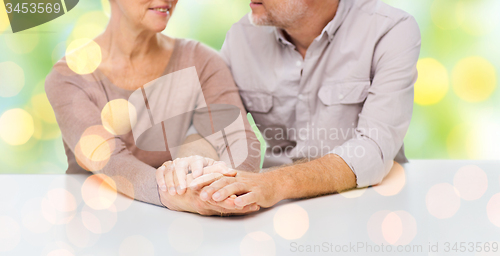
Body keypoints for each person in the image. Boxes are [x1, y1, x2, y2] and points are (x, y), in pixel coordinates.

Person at [190, 0, 421, 210]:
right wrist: (191, 165)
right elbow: (215, 130)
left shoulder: (391, 29)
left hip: (369, 205)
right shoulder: (241, 37)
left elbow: (374, 150)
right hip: (274, 210)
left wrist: (274, 183)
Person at [45, 0, 261, 215]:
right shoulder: (69, 78)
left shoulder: (201, 61)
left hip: (181, 229)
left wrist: (219, 190)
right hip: (96, 224)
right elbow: (112, 161)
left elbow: (239, 141)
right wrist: (173, 194)